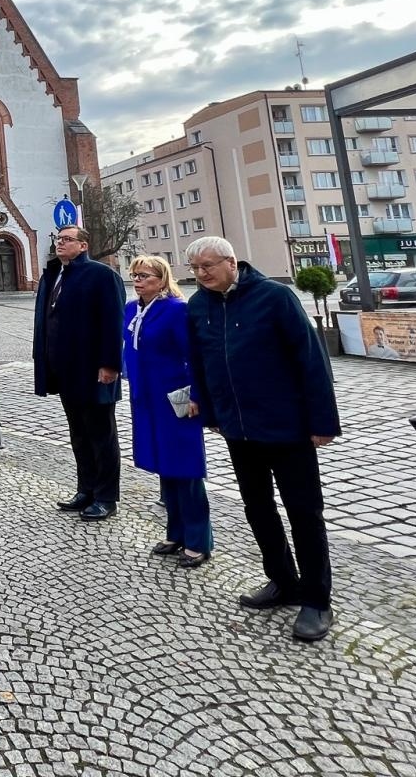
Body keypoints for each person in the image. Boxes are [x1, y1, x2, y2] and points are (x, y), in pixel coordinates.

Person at [183, 237, 341, 643]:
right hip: (239, 427)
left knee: (304, 512)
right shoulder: (199, 305)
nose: (201, 274)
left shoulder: (274, 297)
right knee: (257, 507)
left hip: (286, 424)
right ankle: (282, 580)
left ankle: (316, 599)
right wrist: (213, 414)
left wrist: (322, 421)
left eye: (208, 265)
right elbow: (201, 363)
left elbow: (311, 359)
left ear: (232, 263)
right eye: (195, 268)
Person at [122, 255, 212, 568]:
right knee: (165, 466)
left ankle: (198, 541)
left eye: (145, 276)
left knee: (185, 468)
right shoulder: (132, 309)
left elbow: (193, 355)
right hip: (146, 399)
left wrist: (196, 395)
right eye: (135, 275)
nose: (138, 281)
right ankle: (175, 533)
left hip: (176, 399)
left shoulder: (176, 309)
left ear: (162, 279)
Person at [33, 225, 126, 521]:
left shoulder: (101, 275)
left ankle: (106, 496)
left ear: (83, 245)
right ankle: (85, 489)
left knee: (101, 435)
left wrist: (110, 364)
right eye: (58, 239)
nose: (60, 243)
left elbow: (113, 322)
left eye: (67, 240)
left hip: (94, 370)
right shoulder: (54, 274)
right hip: (65, 370)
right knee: (79, 435)